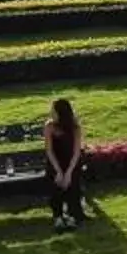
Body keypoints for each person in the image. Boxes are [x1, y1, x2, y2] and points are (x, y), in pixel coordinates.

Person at [44, 97, 90, 230]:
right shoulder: (49, 126)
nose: (51, 112)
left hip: (71, 161)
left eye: (53, 110)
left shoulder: (75, 127)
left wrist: (68, 172)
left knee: (73, 181)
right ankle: (57, 216)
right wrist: (59, 171)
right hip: (55, 162)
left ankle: (71, 215)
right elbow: (49, 150)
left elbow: (76, 152)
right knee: (55, 181)